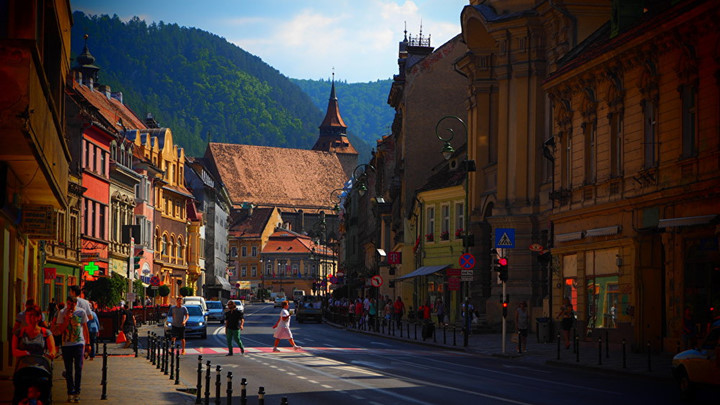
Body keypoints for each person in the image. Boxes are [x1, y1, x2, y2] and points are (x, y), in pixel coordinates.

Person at [52, 296, 90, 403]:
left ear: (76, 303)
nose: (70, 306)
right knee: (68, 370)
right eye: (68, 304)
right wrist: (67, 319)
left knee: (78, 368)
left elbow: (85, 327)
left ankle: (77, 392)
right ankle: (70, 391)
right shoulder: (62, 313)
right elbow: (60, 329)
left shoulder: (81, 312)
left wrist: (88, 343)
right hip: (66, 344)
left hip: (79, 343)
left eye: (72, 304)